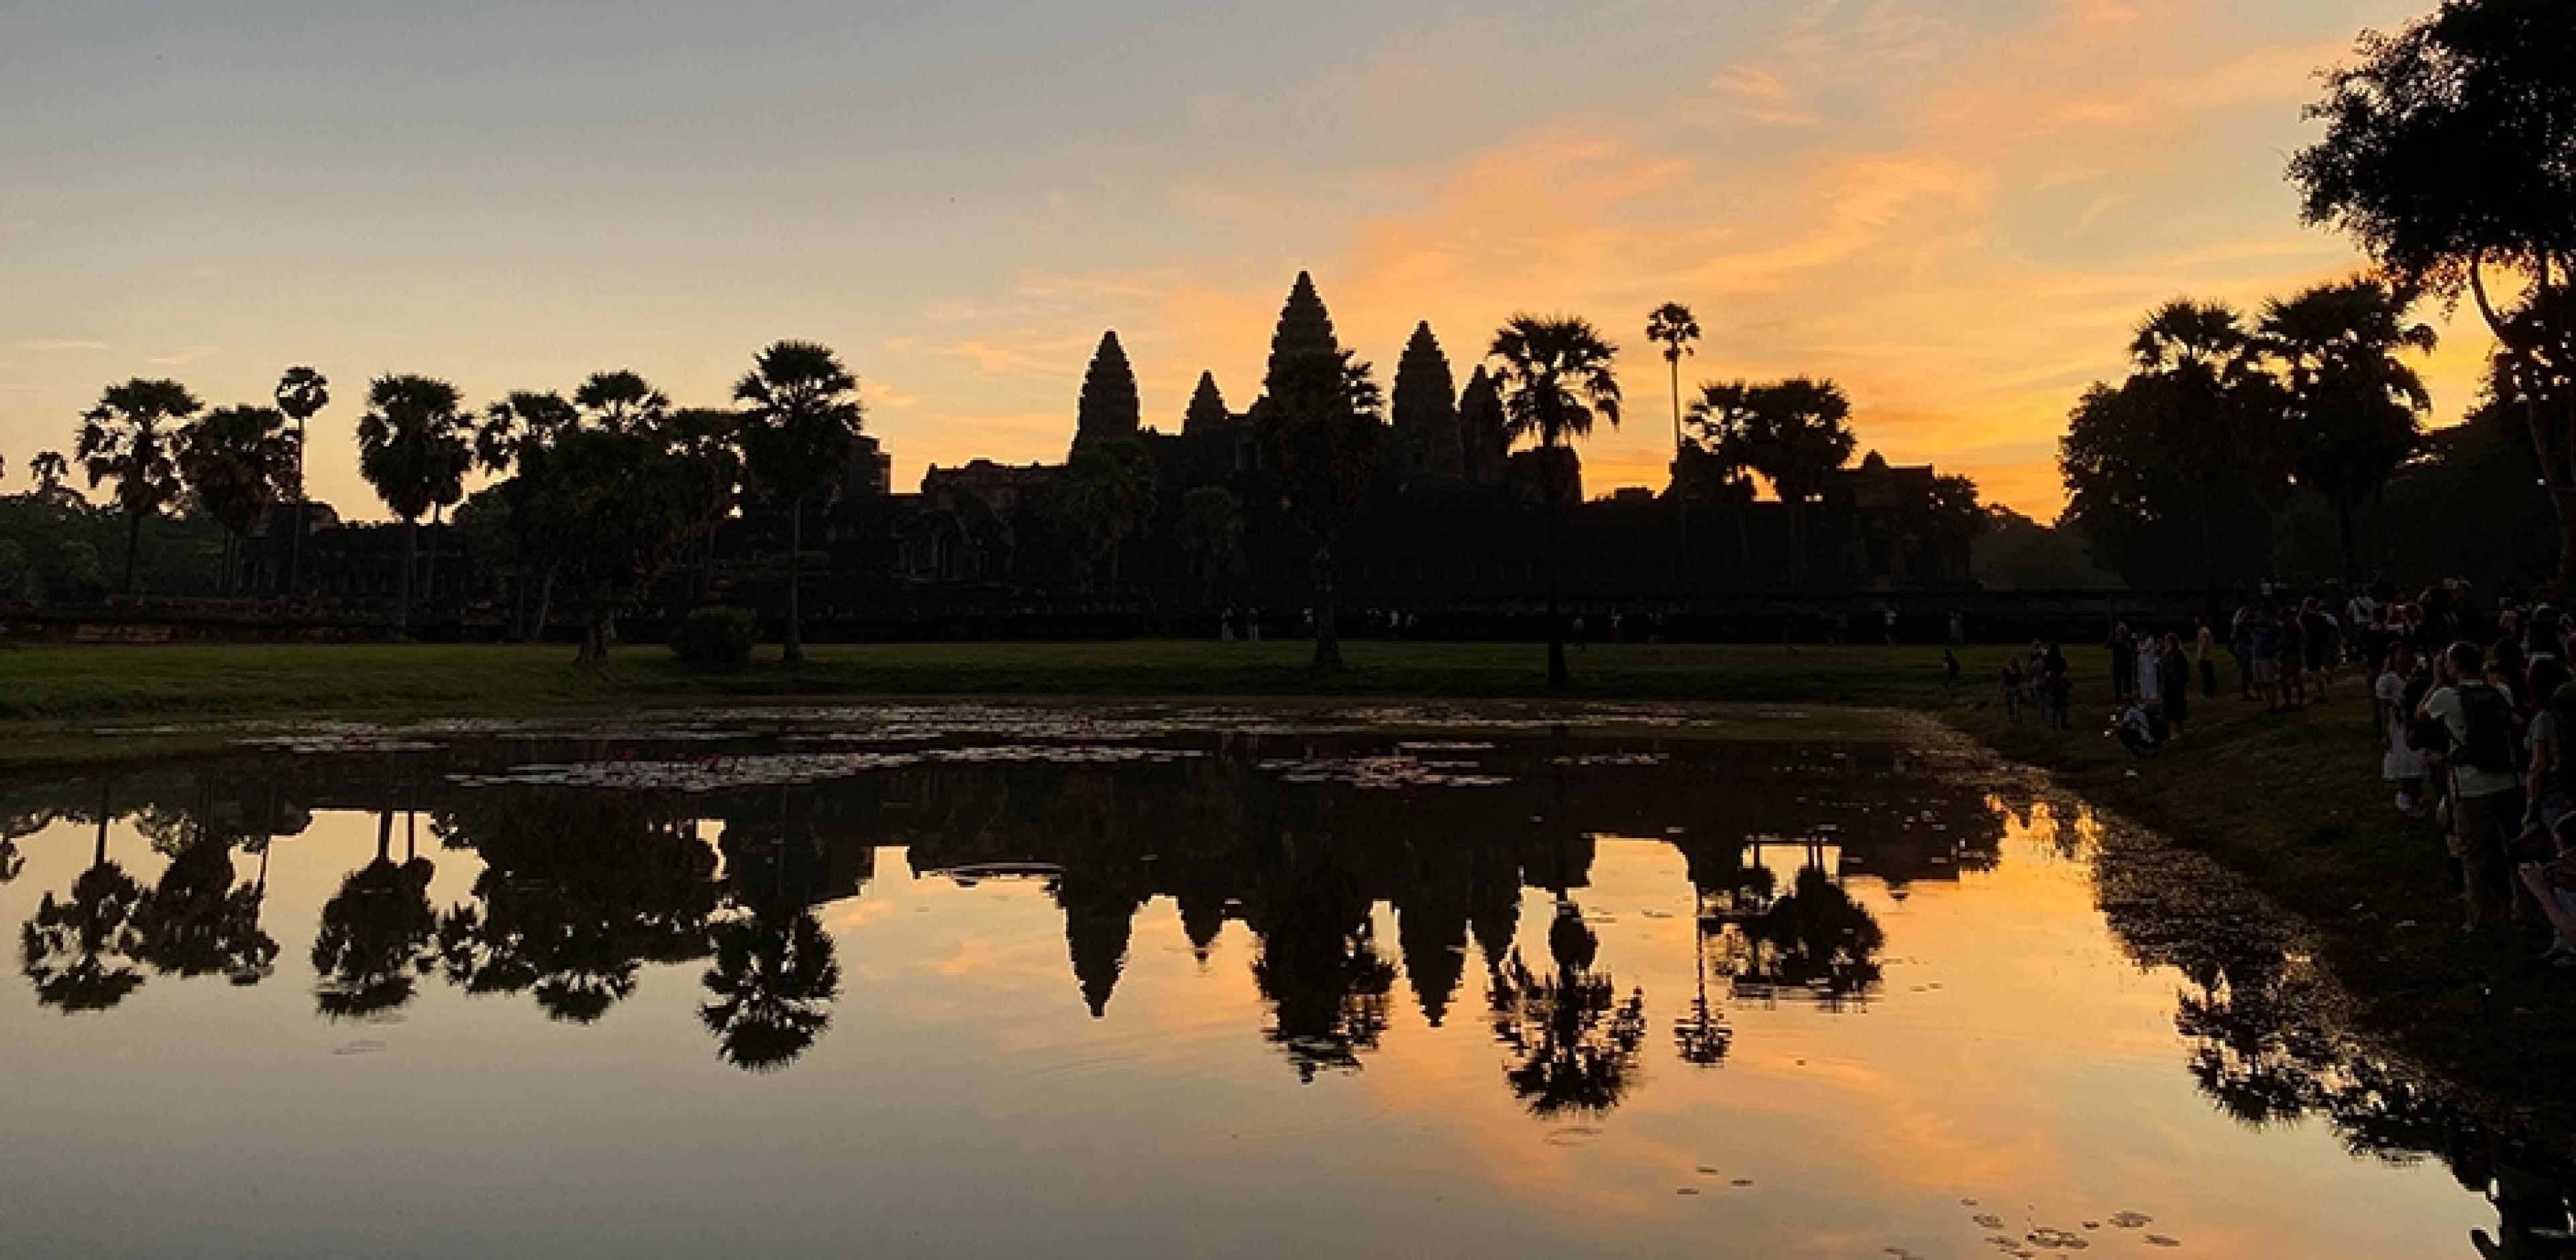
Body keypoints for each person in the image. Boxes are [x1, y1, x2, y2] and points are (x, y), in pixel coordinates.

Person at [2423, 641, 2527, 932]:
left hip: (2470, 785)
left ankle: (2478, 917)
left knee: (2474, 854)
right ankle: (2523, 909)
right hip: (2508, 779)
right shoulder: (2500, 692)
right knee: (2515, 848)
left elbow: (2421, 717)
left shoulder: (2446, 696)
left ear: (2454, 665)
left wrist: (2436, 680)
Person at [2377, 640, 2428, 813]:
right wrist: (2385, 731)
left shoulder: (2417, 677)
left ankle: (2416, 795)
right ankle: (2406, 797)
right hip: (2398, 726)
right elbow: (2384, 708)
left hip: (2415, 723)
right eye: (2402, 654)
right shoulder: (2388, 680)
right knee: (2405, 762)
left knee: (2418, 761)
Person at [2159, 632, 2190, 736]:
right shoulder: (2166, 654)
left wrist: (2177, 677)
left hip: (2176, 685)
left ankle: (2179, 730)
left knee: (2178, 708)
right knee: (2168, 709)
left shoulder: (2179, 654)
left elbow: (2183, 671)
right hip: (2168, 684)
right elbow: (2163, 667)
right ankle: (2169, 731)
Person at [2109, 622, 2137, 704]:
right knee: (2118, 684)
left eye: (2123, 629)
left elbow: (2132, 650)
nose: (2121, 631)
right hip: (2117, 665)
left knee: (2128, 684)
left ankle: (2128, 699)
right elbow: (2108, 644)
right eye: (2120, 629)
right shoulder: (2115, 639)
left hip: (2127, 665)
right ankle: (2118, 700)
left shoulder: (2130, 639)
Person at [2195, 616, 2218, 697]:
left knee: (2206, 675)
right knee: (2208, 674)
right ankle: (2210, 690)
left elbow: (2204, 644)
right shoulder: (2205, 630)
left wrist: (2202, 655)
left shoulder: (2203, 631)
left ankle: (2208, 691)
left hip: (2205, 657)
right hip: (2207, 656)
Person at [2002, 655, 2025, 724]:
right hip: (2010, 689)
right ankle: (2012, 718)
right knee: (2011, 705)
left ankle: (2016, 718)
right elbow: (2003, 680)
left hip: (2015, 689)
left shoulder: (2018, 671)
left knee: (2015, 705)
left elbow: (2021, 680)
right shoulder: (2007, 670)